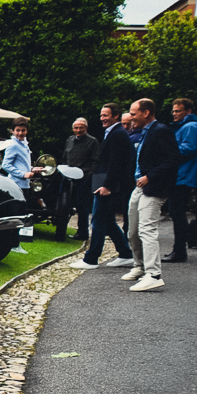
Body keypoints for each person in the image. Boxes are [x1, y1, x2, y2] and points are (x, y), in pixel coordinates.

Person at [121, 98, 180, 290]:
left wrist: (150, 177)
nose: (131, 117)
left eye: (133, 113)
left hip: (154, 187)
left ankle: (153, 274)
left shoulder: (161, 130)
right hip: (140, 186)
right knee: (132, 230)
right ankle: (139, 266)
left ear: (146, 113)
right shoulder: (145, 132)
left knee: (147, 229)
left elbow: (173, 159)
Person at [70, 104, 135, 270]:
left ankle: (91, 259)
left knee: (98, 220)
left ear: (116, 116)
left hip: (107, 183)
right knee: (108, 221)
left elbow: (116, 163)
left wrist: (107, 186)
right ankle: (125, 253)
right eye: (101, 115)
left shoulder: (118, 134)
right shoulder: (114, 132)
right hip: (104, 181)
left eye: (106, 115)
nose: (102, 118)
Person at [164, 97, 197, 263]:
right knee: (177, 212)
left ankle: (179, 251)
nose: (174, 114)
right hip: (184, 174)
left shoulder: (190, 126)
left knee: (177, 212)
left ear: (188, 111)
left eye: (178, 111)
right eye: (173, 111)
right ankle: (179, 249)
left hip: (183, 175)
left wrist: (166, 150)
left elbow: (187, 149)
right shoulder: (190, 126)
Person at [62, 117, 99, 239]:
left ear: (86, 128)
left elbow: (95, 161)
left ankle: (83, 233)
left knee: (82, 206)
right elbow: (64, 158)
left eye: (81, 128)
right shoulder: (69, 140)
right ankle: (61, 230)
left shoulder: (92, 142)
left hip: (83, 177)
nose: (78, 130)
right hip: (69, 177)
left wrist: (89, 176)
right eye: (76, 128)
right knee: (64, 204)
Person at [1, 117, 36, 190]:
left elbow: (21, 164)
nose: (20, 133)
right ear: (12, 131)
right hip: (16, 185)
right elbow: (5, 165)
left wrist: (32, 169)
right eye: (18, 130)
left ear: (27, 131)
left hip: (25, 185)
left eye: (23, 130)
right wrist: (23, 175)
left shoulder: (24, 144)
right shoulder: (13, 145)